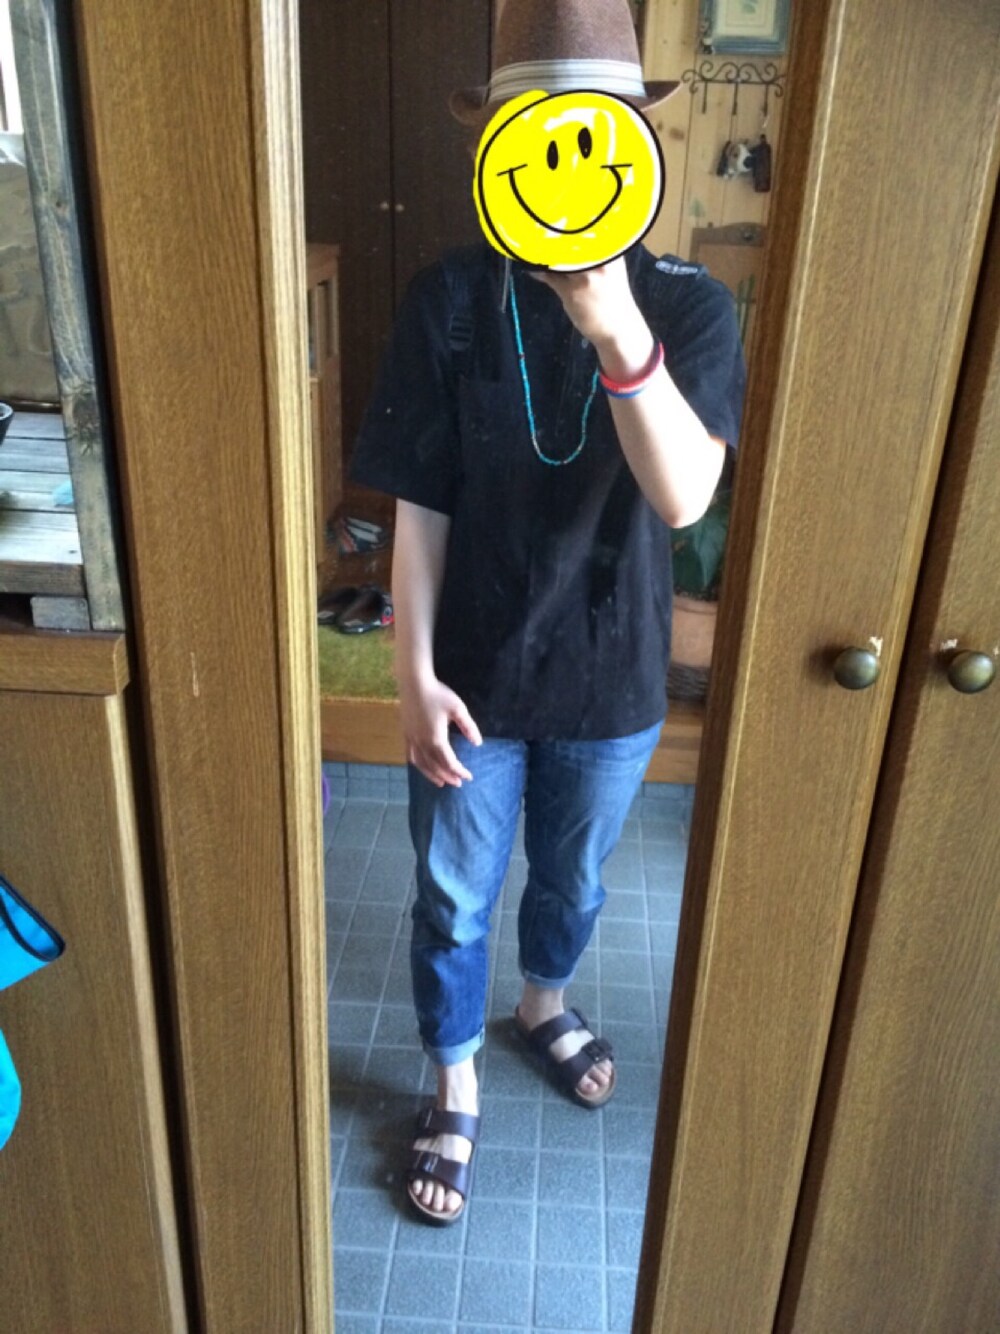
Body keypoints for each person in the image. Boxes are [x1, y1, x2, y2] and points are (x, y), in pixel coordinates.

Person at [350, 0, 745, 1225]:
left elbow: (683, 495)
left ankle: (542, 1002)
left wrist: (613, 325)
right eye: (534, 127)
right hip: (466, 674)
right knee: (451, 894)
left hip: (611, 677)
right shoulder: (448, 298)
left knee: (571, 880)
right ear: (497, 142)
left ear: (633, 142)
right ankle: (454, 1075)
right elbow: (420, 500)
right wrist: (409, 673)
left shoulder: (688, 307)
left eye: (592, 129)